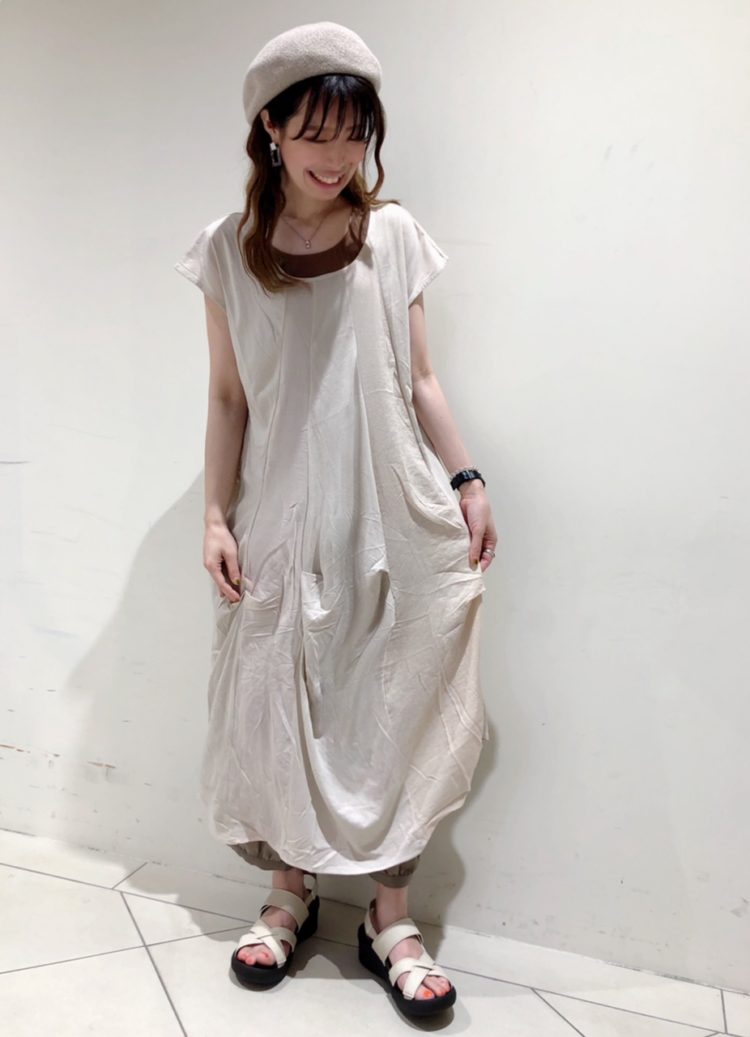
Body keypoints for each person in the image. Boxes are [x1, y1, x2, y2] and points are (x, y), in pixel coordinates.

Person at [174, 21, 498, 1019]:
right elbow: (228, 396)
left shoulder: (393, 236)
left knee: (393, 703)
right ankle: (289, 893)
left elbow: (422, 377)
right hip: (279, 515)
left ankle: (390, 918)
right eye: (315, 132)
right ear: (269, 129)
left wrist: (467, 477)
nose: (337, 155)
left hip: (389, 510)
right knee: (276, 704)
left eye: (354, 134)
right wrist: (215, 514)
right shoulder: (226, 252)